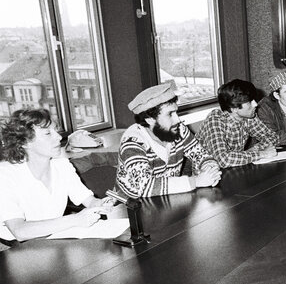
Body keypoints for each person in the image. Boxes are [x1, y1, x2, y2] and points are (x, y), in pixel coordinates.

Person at [0, 109, 112, 242]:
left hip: (53, 238)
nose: (59, 137)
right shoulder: (6, 175)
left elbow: (88, 200)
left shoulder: (62, 165)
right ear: (24, 143)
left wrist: (100, 204)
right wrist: (75, 219)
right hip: (13, 248)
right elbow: (19, 231)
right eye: (48, 133)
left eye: (56, 131)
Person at [116, 81, 221, 198]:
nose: (178, 120)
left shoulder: (178, 130)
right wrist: (196, 181)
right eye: (170, 114)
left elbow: (202, 156)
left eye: (176, 112)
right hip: (133, 204)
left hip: (170, 198)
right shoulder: (132, 142)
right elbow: (144, 186)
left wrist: (210, 171)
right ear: (149, 119)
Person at [196, 79, 279, 167]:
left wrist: (254, 150)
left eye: (253, 100)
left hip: (234, 167)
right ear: (234, 108)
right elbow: (223, 160)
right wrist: (262, 154)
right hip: (208, 174)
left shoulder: (248, 116)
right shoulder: (215, 120)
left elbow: (273, 137)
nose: (255, 104)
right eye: (250, 102)